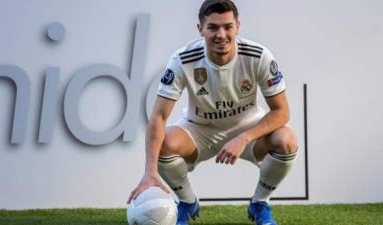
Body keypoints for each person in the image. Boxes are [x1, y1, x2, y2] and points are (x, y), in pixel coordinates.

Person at [128, 0, 298, 224]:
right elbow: (158, 117)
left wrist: (244, 137)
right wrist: (150, 172)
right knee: (165, 143)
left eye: (228, 27)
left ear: (238, 26)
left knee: (286, 140)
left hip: (247, 129)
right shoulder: (183, 59)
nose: (221, 34)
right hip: (200, 129)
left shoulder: (258, 55)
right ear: (200, 29)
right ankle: (187, 203)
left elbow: (282, 112)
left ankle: (260, 204)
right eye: (213, 27)